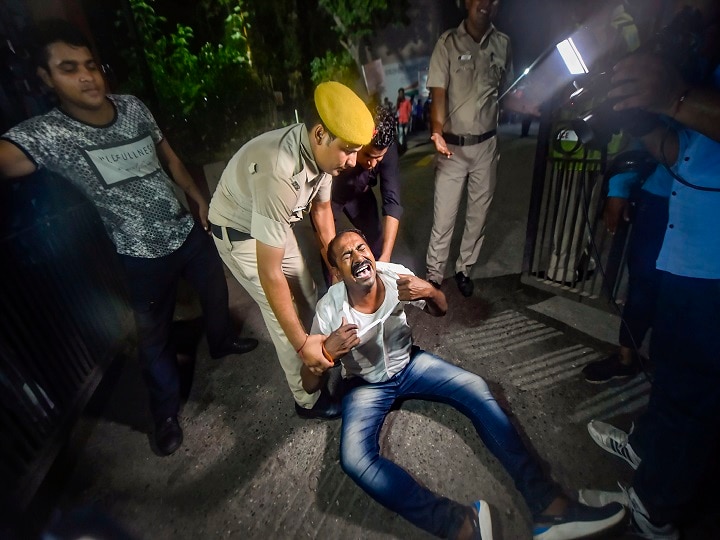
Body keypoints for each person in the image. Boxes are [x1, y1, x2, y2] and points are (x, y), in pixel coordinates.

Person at [0, 19, 258, 456]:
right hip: (138, 254)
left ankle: (221, 341)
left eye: (91, 65)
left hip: (183, 231)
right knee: (153, 338)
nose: (87, 76)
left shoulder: (134, 108)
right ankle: (165, 414)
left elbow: (171, 161)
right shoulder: (49, 134)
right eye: (68, 68)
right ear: (46, 79)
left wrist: (199, 199)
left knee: (216, 289)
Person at [300, 228, 625, 540]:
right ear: (338, 272)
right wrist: (326, 352)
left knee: (476, 389)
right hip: (365, 385)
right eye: (346, 254)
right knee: (354, 459)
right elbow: (309, 383)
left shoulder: (394, 275)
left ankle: (550, 508)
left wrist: (428, 291)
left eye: (361, 248)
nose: (358, 256)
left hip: (410, 364)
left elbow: (440, 309)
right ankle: (460, 525)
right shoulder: (331, 308)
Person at [579, 2, 720, 537]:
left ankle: (653, 513)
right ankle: (646, 451)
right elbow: (683, 152)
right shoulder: (697, 49)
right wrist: (636, 126)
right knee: (673, 373)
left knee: (694, 396)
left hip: (715, 267)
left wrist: (676, 98)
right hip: (685, 252)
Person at [208, 81, 374, 420]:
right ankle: (307, 400)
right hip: (240, 236)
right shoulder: (278, 173)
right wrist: (302, 343)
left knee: (311, 292)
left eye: (358, 150)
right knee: (285, 318)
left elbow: (323, 212)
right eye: (348, 150)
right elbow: (270, 273)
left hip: (272, 226)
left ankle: (326, 354)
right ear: (320, 135)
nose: (354, 161)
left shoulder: (325, 157)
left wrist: (336, 268)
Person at [425, 0, 512, 297]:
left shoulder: (503, 44)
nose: (485, 4)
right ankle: (434, 274)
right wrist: (436, 131)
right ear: (466, 2)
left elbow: (504, 91)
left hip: (486, 146)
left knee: (478, 215)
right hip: (452, 148)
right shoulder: (447, 43)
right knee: (444, 216)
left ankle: (464, 269)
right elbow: (438, 93)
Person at [581, 164, 670, 383]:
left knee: (692, 293)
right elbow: (639, 147)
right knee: (642, 282)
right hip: (660, 196)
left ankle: (672, 368)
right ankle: (626, 358)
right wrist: (619, 187)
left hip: (708, 205)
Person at [328, 105, 402, 263]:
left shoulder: (388, 149)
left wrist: (386, 256)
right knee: (333, 251)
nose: (372, 164)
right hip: (332, 194)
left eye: (379, 157)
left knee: (376, 241)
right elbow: (320, 213)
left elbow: (392, 202)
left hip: (360, 193)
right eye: (368, 155)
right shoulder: (342, 147)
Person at [395, 87, 412, 153]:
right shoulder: (398, 102)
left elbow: (410, 110)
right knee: (401, 134)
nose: (400, 95)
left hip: (406, 120)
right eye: (399, 93)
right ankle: (401, 147)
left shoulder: (407, 102)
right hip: (400, 120)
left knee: (405, 134)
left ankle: (405, 146)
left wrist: (409, 117)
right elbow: (396, 110)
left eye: (401, 93)